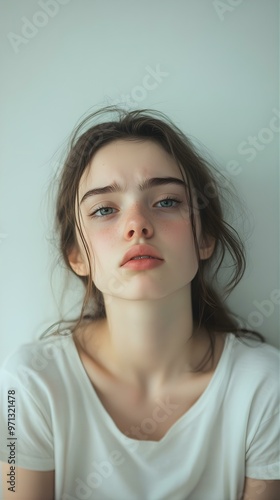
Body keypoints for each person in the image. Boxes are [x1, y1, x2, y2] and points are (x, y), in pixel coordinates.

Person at [0, 106, 279, 500]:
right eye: (104, 209)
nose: (137, 224)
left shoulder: (264, 387)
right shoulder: (26, 387)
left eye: (166, 202)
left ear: (204, 238)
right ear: (76, 255)